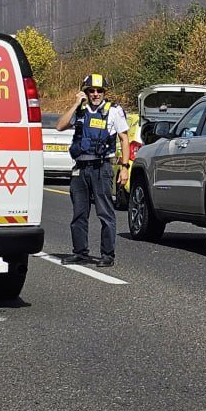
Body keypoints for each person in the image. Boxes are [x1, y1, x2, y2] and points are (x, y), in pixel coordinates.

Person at [56, 73, 130, 267]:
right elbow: (60, 126)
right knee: (79, 213)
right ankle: (80, 252)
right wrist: (75, 104)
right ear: (86, 92)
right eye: (91, 91)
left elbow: (124, 139)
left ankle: (107, 255)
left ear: (104, 92)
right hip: (80, 168)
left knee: (105, 213)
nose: (95, 94)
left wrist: (124, 168)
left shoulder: (114, 111)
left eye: (99, 91)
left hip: (101, 166)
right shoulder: (80, 110)